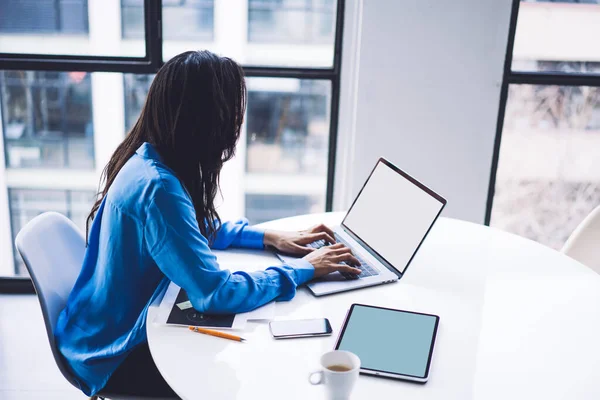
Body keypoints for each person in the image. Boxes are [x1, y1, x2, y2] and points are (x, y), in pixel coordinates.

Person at [54, 50, 361, 399]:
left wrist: (267, 237)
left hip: (98, 326)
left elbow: (185, 231)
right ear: (203, 120)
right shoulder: (159, 189)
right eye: (230, 112)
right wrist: (303, 270)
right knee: (244, 375)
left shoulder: (149, 159)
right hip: (111, 355)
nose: (236, 124)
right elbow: (214, 294)